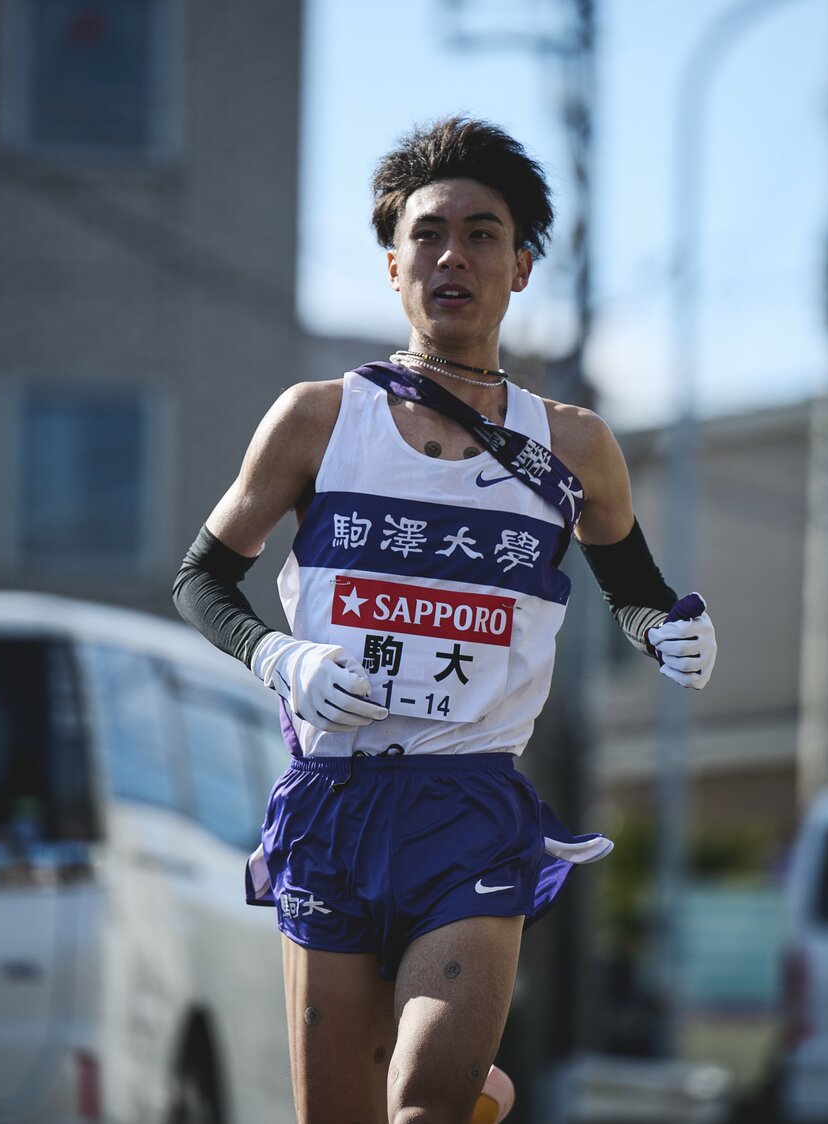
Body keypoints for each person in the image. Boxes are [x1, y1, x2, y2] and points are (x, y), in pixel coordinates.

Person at [173, 116, 717, 1124]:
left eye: (481, 233)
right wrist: (275, 652)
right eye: (428, 233)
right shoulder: (318, 419)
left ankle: (462, 1092)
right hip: (333, 803)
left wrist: (668, 627)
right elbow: (202, 578)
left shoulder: (576, 446)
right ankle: (487, 1095)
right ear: (393, 267)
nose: (452, 254)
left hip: (468, 809)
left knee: (423, 1104)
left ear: (519, 267)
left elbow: (635, 584)